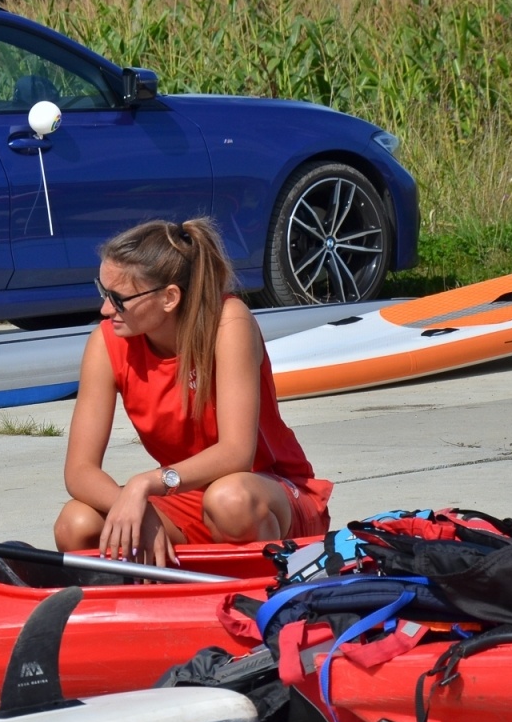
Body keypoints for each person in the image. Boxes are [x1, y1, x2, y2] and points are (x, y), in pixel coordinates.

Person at [55, 218, 333, 567]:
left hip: (265, 491)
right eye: (102, 291)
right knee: (76, 524)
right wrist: (134, 507)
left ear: (170, 297)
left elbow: (236, 454)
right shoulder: (105, 342)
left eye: (119, 299)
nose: (105, 309)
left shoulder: (229, 322)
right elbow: (79, 471)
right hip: (185, 496)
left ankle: (261, 596)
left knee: (228, 499)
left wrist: (146, 485)